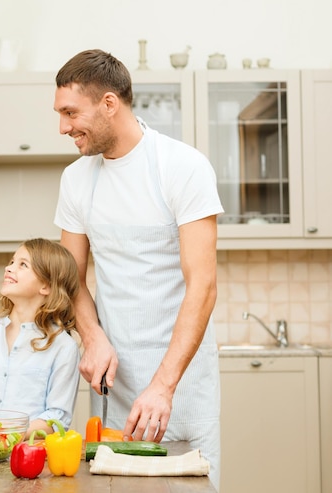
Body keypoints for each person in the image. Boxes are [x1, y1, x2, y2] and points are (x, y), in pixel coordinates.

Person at [52, 49, 224, 489]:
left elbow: (202, 285)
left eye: (71, 113)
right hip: (113, 381)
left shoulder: (182, 167)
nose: (63, 127)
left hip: (180, 383)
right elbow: (70, 277)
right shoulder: (76, 179)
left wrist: (163, 386)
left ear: (109, 103)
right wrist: (91, 338)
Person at [0, 238, 81, 437]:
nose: (8, 268)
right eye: (12, 262)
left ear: (45, 286)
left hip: (28, 457)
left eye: (23, 265)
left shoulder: (64, 347)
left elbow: (56, 417)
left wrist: (6, 434)